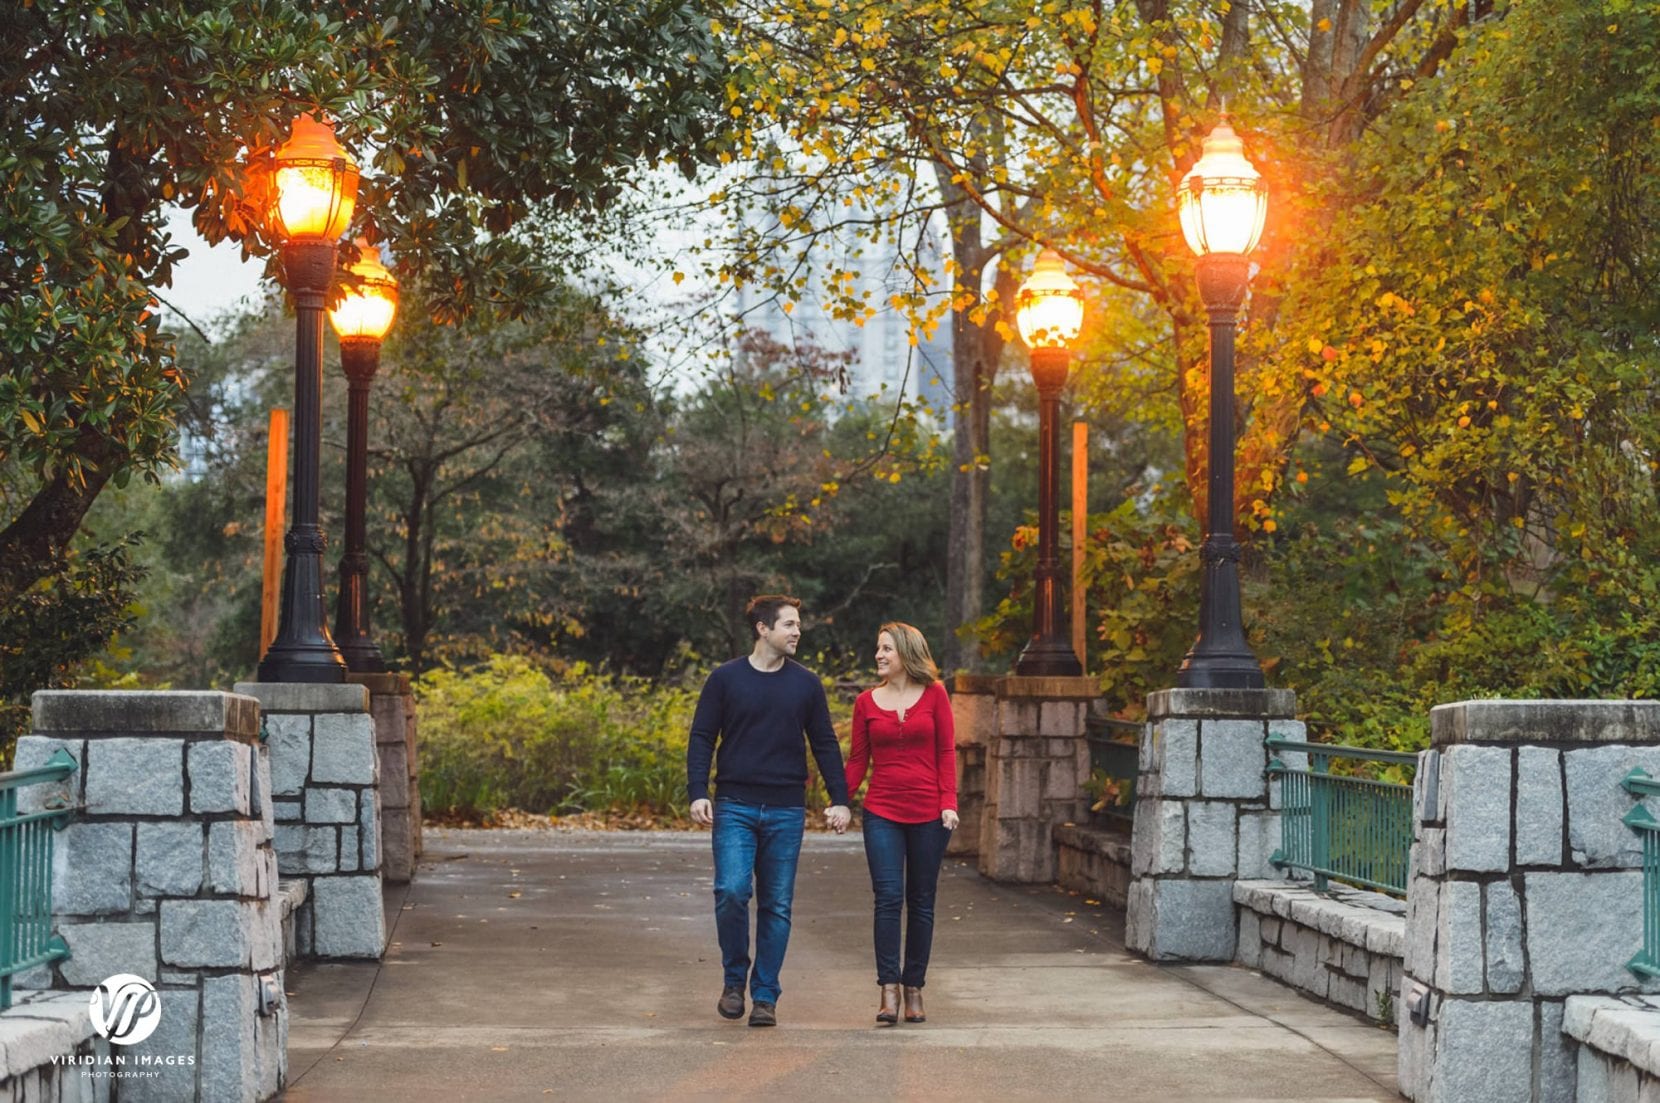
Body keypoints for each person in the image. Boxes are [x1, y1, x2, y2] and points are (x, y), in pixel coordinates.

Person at [687, 595, 852, 1028]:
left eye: (798, 625)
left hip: (786, 809)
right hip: (734, 806)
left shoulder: (806, 684)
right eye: (790, 624)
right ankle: (733, 980)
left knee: (777, 905)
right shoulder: (725, 679)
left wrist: (840, 798)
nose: (797, 632)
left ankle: (765, 996)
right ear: (763, 629)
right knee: (731, 891)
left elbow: (824, 743)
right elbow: (703, 736)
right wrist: (696, 791)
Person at [845, 621, 958, 1025]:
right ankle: (888, 990)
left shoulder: (935, 696)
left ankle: (915, 990)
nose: (879, 655)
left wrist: (949, 802)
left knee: (922, 901)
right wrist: (840, 801)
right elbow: (858, 760)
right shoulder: (865, 703)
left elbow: (946, 752)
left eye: (887, 649)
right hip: (882, 812)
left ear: (907, 653)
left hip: (930, 814)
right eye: (878, 648)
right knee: (889, 897)